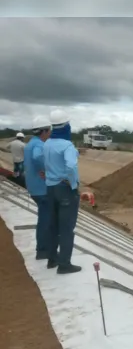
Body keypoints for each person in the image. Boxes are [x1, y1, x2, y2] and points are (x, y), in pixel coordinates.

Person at [44, 109, 81, 274]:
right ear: (66, 126)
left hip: (50, 188)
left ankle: (52, 259)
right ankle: (64, 264)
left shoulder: (47, 144)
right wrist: (73, 184)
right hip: (64, 189)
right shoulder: (67, 145)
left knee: (53, 225)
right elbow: (71, 166)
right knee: (66, 228)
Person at [24, 116, 52, 260]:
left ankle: (43, 248)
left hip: (33, 187)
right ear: (44, 131)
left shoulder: (30, 143)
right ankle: (42, 250)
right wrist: (47, 169)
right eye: (49, 131)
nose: (50, 134)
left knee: (44, 218)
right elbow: (37, 158)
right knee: (45, 220)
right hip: (41, 189)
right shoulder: (39, 145)